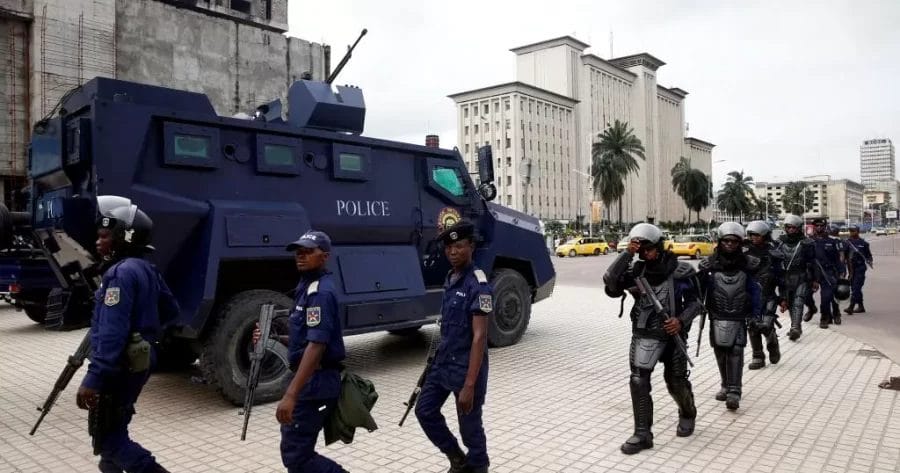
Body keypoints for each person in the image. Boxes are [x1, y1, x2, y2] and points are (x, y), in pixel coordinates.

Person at [76, 195, 179, 473]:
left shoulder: (119, 274)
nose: (98, 242)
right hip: (139, 361)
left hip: (119, 365)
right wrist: (145, 330)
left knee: (109, 441)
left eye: (105, 236)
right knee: (112, 430)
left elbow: (111, 333)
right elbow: (171, 310)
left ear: (125, 237)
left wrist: (94, 377)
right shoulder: (147, 268)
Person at [255, 230, 348, 473]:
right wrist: (272, 338)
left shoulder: (320, 293)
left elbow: (317, 346)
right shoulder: (305, 287)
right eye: (298, 251)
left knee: (298, 456)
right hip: (310, 380)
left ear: (324, 256)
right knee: (296, 453)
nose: (301, 255)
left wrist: (291, 395)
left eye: (308, 251)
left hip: (315, 383)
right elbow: (304, 341)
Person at [603, 223, 701, 454]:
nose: (645, 253)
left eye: (649, 249)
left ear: (659, 246)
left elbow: (696, 303)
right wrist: (627, 254)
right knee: (638, 381)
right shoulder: (637, 272)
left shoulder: (681, 271)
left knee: (675, 382)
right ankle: (642, 434)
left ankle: (688, 411)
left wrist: (680, 321)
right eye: (640, 250)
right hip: (645, 334)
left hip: (672, 335)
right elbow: (610, 281)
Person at [415, 220, 493, 473]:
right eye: (449, 248)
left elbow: (479, 337)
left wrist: (469, 385)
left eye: (459, 246)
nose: (453, 252)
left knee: (470, 428)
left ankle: (479, 466)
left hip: (466, 369)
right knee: (424, 410)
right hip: (443, 363)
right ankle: (457, 458)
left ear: (471, 246)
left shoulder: (478, 285)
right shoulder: (451, 277)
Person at [696, 222, 761, 411]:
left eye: (734, 241)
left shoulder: (749, 264)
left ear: (740, 242)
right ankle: (725, 384)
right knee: (721, 351)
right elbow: (699, 290)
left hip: (739, 315)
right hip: (717, 313)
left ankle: (734, 391)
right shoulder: (709, 264)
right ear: (720, 241)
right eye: (726, 241)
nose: (730, 244)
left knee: (736, 351)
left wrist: (756, 314)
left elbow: (755, 291)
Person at [743, 221, 782, 370]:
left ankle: (773, 344)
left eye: (757, 235)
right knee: (752, 325)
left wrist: (783, 297)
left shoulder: (774, 252)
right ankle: (758, 356)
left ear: (764, 235)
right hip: (751, 296)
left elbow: (781, 276)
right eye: (751, 235)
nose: (753, 237)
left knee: (766, 324)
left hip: (769, 294)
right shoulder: (744, 252)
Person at [776, 215, 818, 341]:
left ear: (799, 228)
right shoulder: (779, 242)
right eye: (789, 227)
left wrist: (815, 279)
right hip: (785, 277)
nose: (791, 230)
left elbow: (813, 262)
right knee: (789, 302)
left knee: (798, 301)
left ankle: (795, 327)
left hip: (801, 276)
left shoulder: (807, 243)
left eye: (794, 228)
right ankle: (795, 326)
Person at [809, 218, 844, 327]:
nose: (819, 228)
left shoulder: (833, 241)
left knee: (827, 296)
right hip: (813, 272)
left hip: (828, 272)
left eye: (821, 226)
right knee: (805, 295)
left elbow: (839, 258)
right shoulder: (809, 241)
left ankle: (827, 316)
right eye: (817, 226)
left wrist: (841, 271)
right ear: (814, 227)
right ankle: (811, 309)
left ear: (825, 227)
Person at [843, 224, 873, 315]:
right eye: (850, 231)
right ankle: (861, 306)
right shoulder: (847, 243)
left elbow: (869, 256)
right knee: (855, 288)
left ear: (858, 231)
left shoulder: (864, 243)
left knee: (856, 287)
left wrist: (870, 260)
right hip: (851, 269)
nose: (851, 232)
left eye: (853, 230)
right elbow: (843, 256)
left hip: (860, 268)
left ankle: (851, 307)